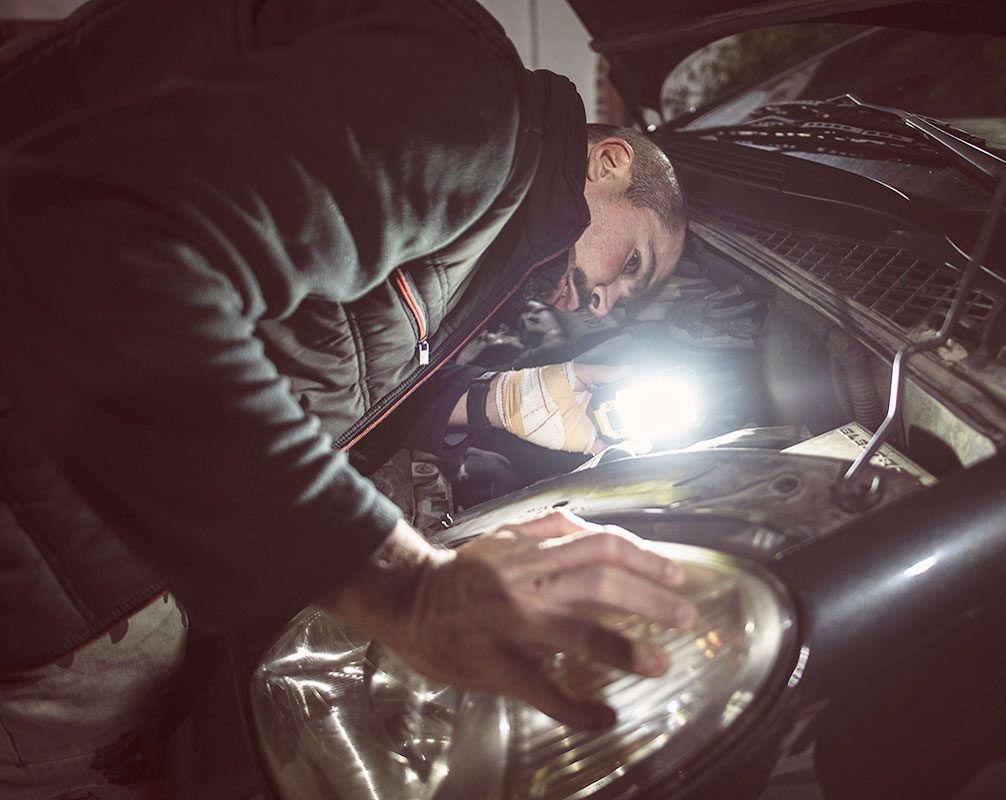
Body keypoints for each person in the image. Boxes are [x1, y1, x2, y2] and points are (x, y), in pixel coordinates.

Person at [0, 0, 689, 795]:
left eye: (623, 304)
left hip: (91, 560)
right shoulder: (474, 107)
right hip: (45, 540)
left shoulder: (487, 206)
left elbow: (322, 343)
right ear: (608, 162)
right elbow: (93, 256)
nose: (604, 304)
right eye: (631, 266)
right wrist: (404, 587)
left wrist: (495, 402)